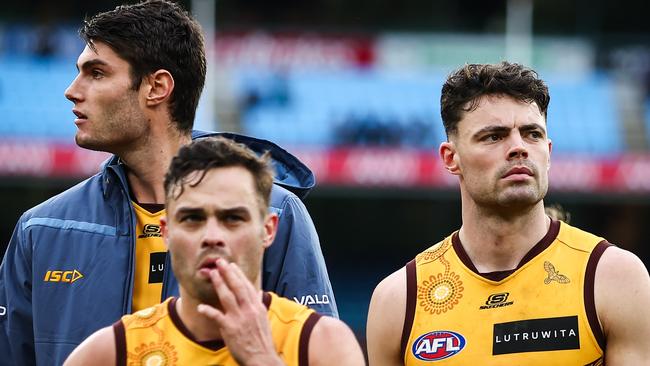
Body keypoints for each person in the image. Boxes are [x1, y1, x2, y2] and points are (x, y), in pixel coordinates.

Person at [0, 1, 337, 365]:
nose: (72, 90)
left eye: (96, 73)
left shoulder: (276, 213)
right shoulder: (42, 229)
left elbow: (316, 353)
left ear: (156, 87)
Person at [366, 62, 650, 365]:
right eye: (494, 136)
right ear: (451, 158)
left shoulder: (613, 277)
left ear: (549, 152)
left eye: (532, 134)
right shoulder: (400, 299)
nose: (519, 148)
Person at [63, 137, 364, 366]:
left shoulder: (321, 344)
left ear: (269, 230)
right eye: (192, 218)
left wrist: (262, 359)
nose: (212, 237)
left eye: (233, 218)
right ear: (167, 231)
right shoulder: (109, 352)